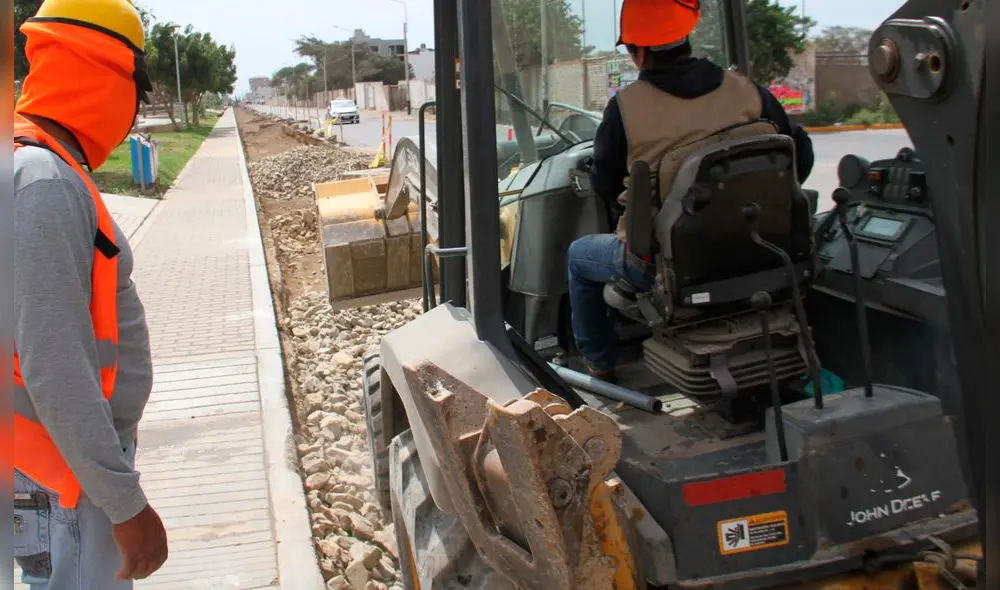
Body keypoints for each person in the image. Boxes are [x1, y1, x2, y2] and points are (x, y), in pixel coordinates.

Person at [568, 0, 816, 381]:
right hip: (763, 248)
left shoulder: (626, 108)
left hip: (663, 267)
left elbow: (604, 185)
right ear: (686, 36)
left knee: (578, 256)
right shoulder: (747, 90)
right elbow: (799, 155)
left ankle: (599, 364)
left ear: (638, 51)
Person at [13, 0, 168, 587]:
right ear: (103, 76)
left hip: (59, 471)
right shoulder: (43, 184)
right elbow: (54, 366)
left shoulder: (39, 168)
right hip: (61, 482)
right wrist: (123, 503)